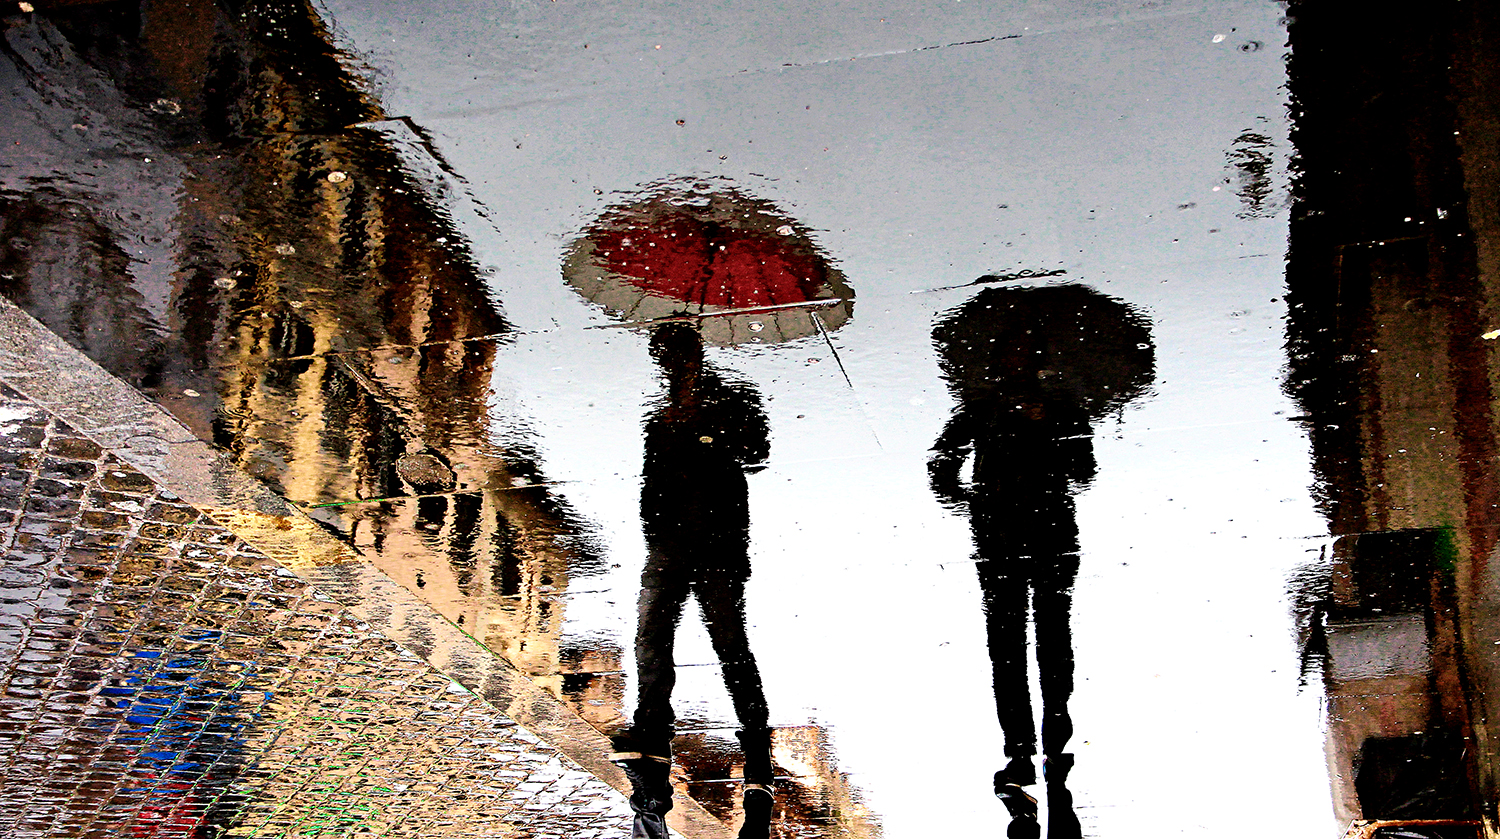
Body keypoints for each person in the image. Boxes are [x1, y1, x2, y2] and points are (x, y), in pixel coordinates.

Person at [929, 284, 1154, 839]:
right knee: (1005, 639)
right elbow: (941, 464)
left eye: (1027, 354)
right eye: (1010, 354)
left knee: (1053, 631)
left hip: (1052, 532)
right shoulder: (977, 410)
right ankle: (1019, 747)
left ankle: (1055, 731)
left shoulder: (1062, 409)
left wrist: (1047, 427)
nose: (1019, 363)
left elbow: (1083, 472)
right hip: (999, 534)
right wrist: (967, 501)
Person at [612, 321, 775, 839]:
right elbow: (650, 477)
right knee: (650, 635)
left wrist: (705, 428)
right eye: (664, 355)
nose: (670, 364)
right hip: (667, 542)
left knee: (729, 642)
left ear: (696, 354)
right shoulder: (657, 414)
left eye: (676, 353)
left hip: (718, 540)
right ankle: (650, 729)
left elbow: (756, 452)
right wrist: (653, 530)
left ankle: (755, 738)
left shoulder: (731, 398)